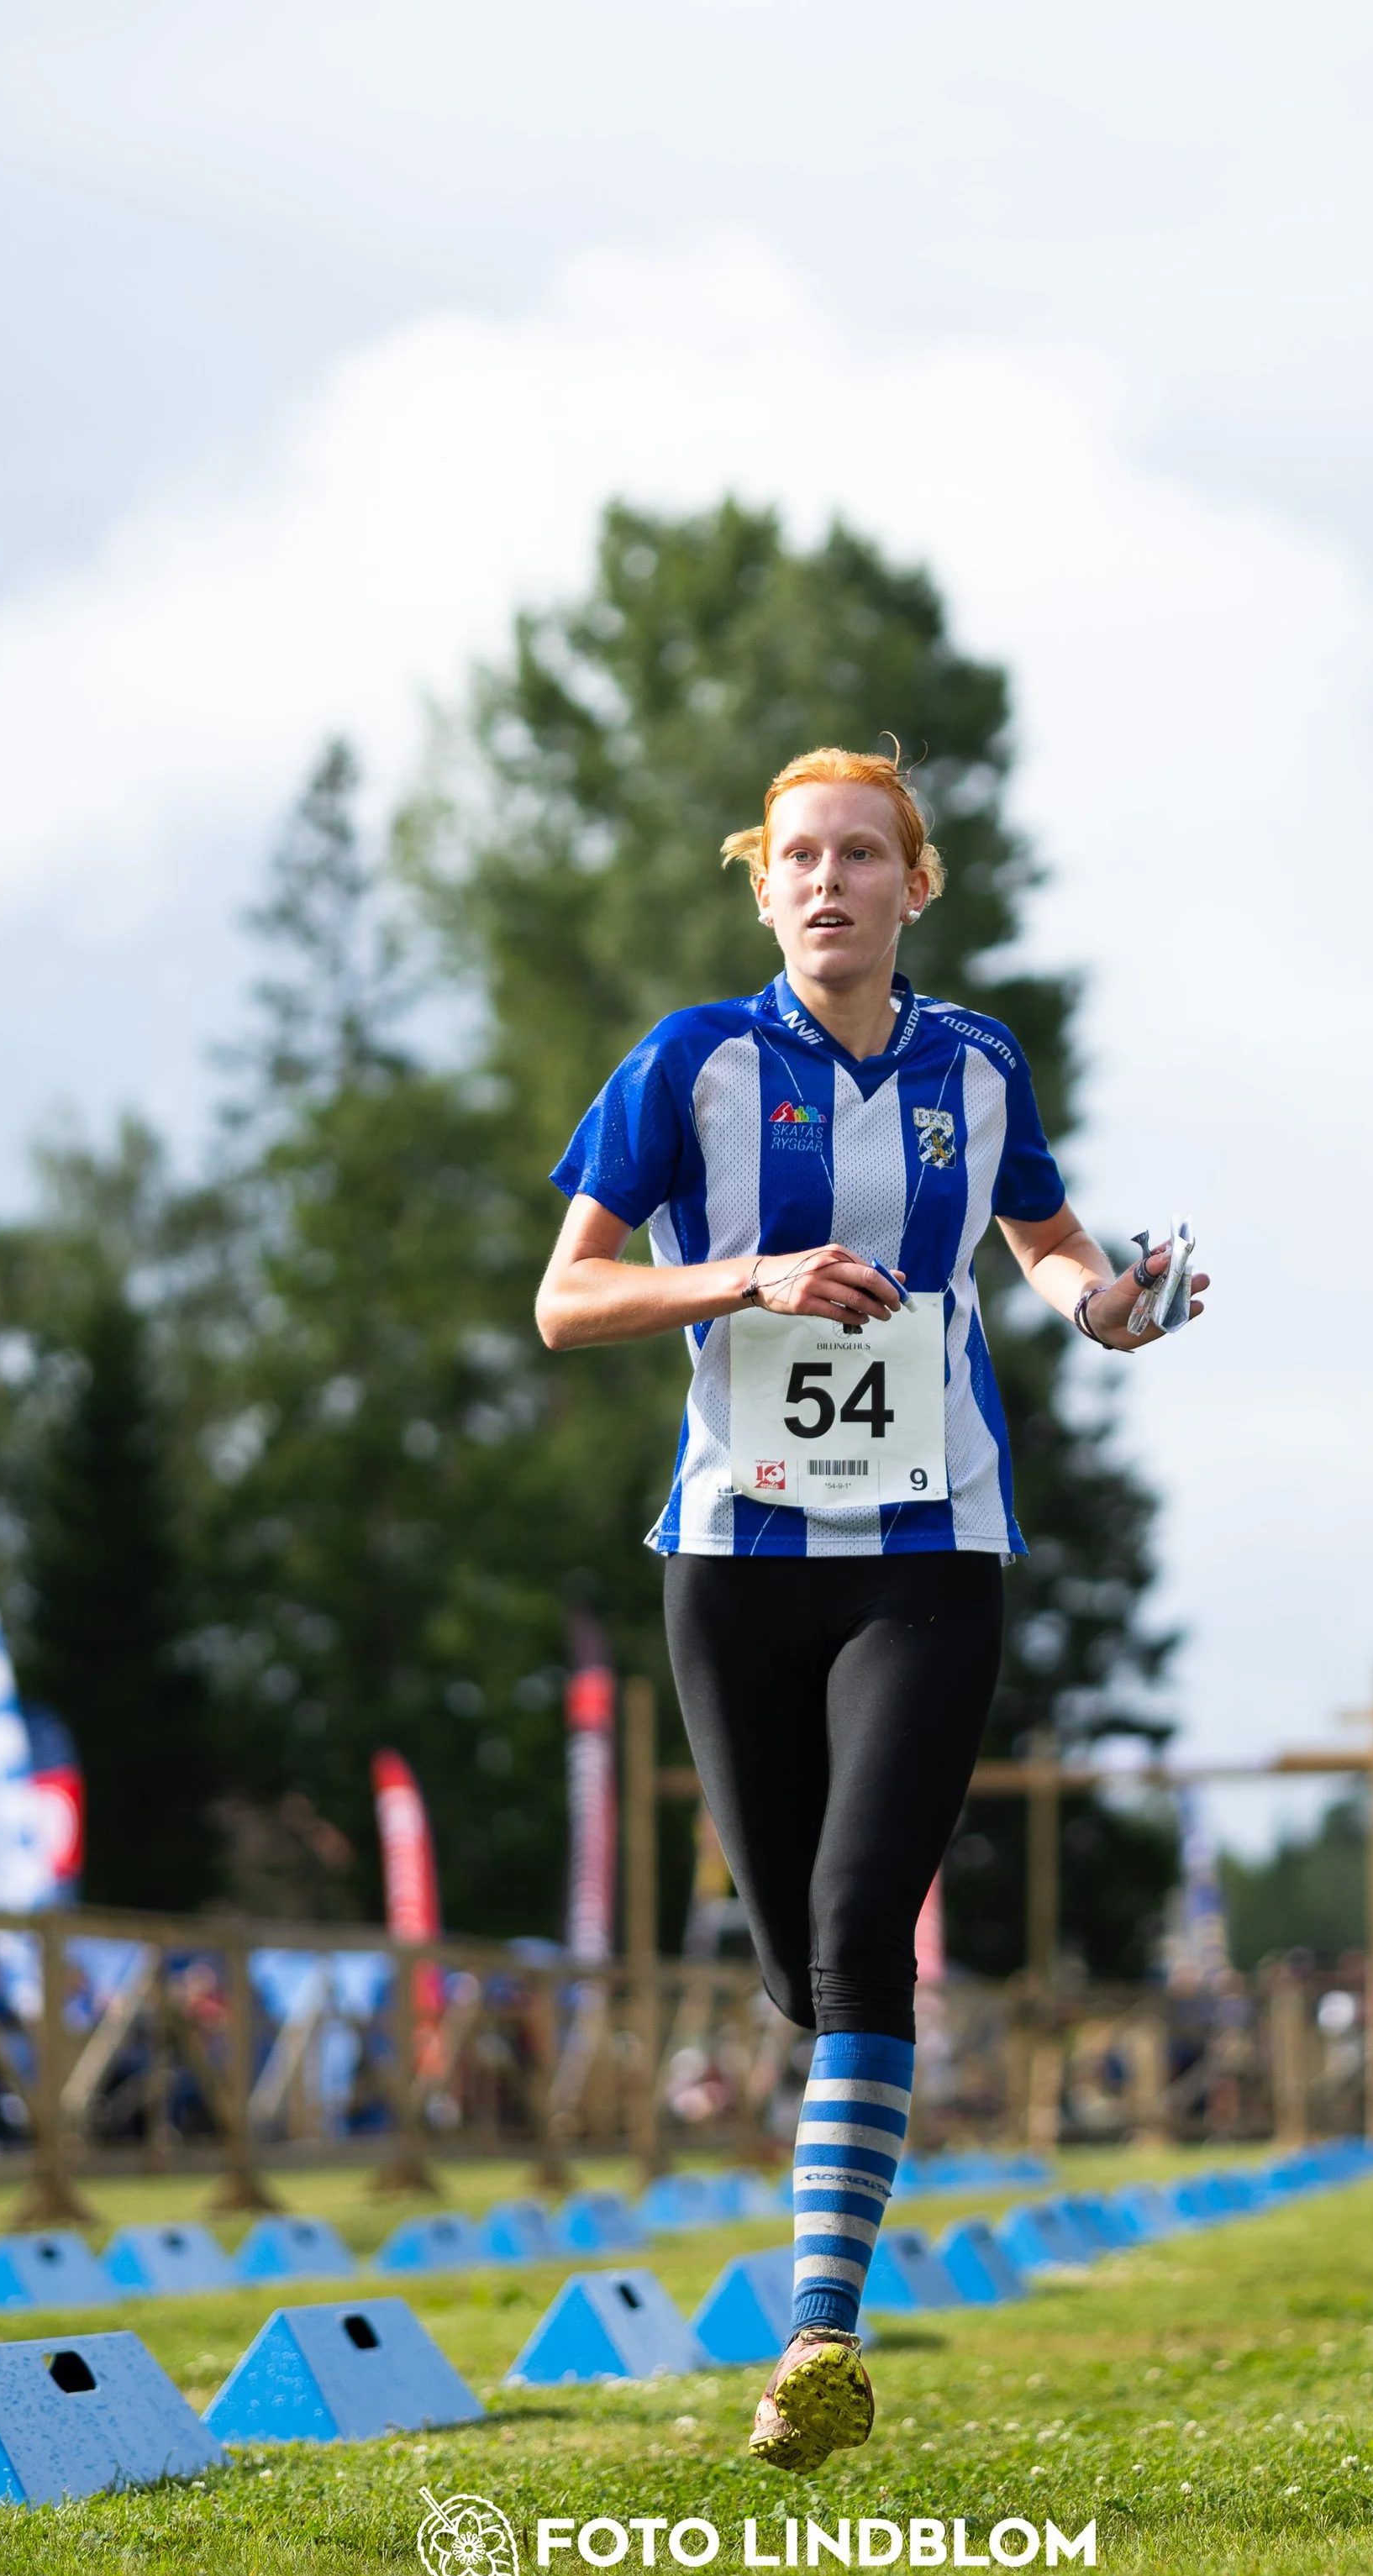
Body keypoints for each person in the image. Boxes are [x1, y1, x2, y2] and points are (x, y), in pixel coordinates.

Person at [535, 744, 1209, 2473]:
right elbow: (567, 1297)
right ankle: (831, 2189)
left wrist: (1110, 1305)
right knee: (794, 1962)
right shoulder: (687, 1061)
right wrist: (747, 1276)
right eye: (800, 857)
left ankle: (818, 2337)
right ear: (762, 886)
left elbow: (1044, 1243)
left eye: (861, 854)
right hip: (734, 1559)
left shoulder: (975, 1063)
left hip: (929, 1552)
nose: (828, 880)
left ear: (915, 885)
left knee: (859, 1932)